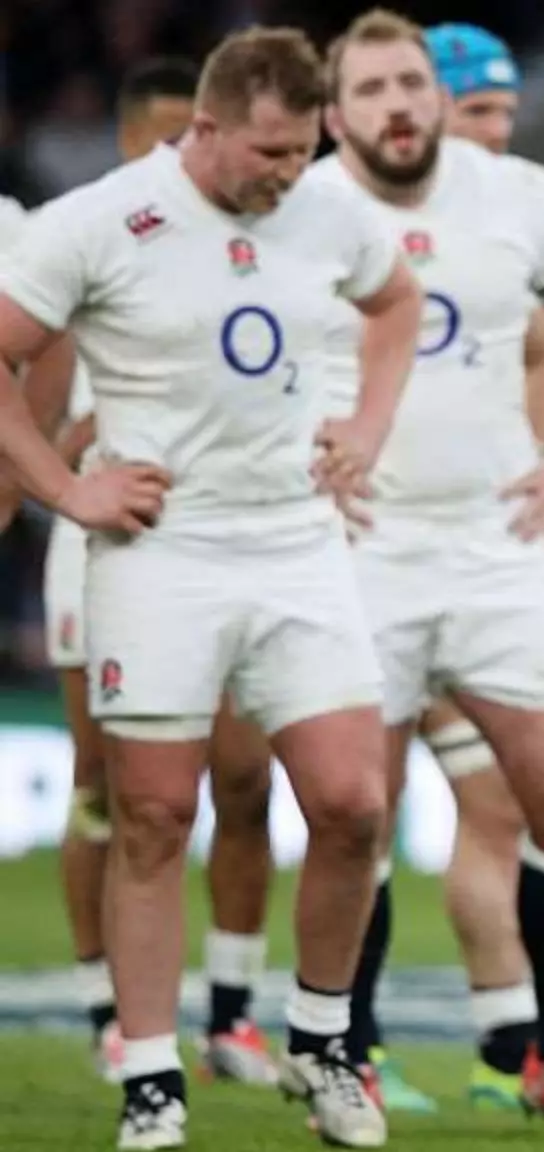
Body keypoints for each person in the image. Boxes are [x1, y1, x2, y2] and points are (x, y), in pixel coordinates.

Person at [0, 26, 425, 1149]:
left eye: (304, 150)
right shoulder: (100, 221)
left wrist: (366, 430)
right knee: (151, 816)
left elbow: (396, 304)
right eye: (271, 153)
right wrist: (64, 490)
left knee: (351, 805)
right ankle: (150, 1077)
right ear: (207, 129)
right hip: (162, 551)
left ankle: (324, 1042)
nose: (291, 173)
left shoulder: (326, 210)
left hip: (296, 541)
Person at [305, 8, 544, 1127]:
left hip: (497, 547)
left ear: (435, 100)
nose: (399, 108)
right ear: (338, 112)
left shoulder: (520, 198)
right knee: (355, 813)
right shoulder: (304, 208)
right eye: (374, 90)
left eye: (412, 87)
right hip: (357, 548)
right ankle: (349, 1051)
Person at [9, 55, 291, 1095]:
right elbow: (31, 425)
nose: (190, 153)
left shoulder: (259, 253)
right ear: (140, 141)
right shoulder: (76, 246)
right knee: (110, 794)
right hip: (110, 550)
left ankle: (232, 1014)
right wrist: (80, 460)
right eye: (173, 133)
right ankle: (105, 1010)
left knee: (249, 783)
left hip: (237, 549)